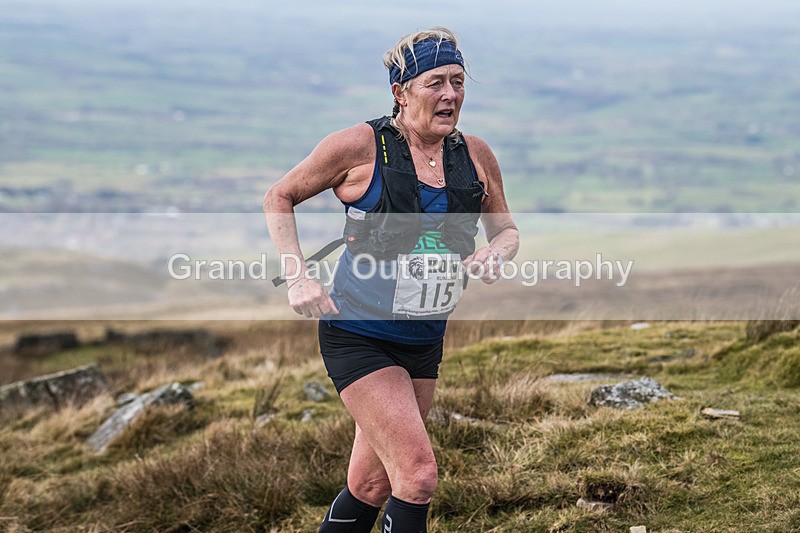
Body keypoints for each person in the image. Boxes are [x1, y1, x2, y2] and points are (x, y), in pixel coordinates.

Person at [264, 27, 518, 533]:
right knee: (418, 476)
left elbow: (507, 230)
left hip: (423, 339)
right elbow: (279, 196)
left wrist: (496, 252)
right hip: (358, 333)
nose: (450, 95)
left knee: (371, 485)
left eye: (459, 82)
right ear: (401, 92)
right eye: (435, 83)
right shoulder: (358, 146)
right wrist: (298, 276)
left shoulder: (476, 155)